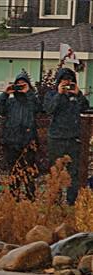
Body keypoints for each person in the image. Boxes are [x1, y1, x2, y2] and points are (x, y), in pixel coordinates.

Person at [0, 71, 42, 200]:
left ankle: (31, 197)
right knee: (13, 172)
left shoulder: (31, 101)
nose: (20, 87)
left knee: (28, 172)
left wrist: (28, 92)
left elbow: (39, 108)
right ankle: (14, 198)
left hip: (28, 142)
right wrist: (5, 93)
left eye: (23, 84)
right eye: (18, 85)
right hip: (11, 141)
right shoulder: (10, 103)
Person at [44, 67, 90, 205]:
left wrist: (78, 94)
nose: (67, 83)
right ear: (58, 81)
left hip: (73, 139)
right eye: (64, 80)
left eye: (69, 80)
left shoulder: (75, 96)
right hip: (56, 139)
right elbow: (49, 109)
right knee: (55, 172)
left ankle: (72, 202)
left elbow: (85, 107)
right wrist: (59, 93)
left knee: (73, 174)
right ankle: (55, 202)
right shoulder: (51, 95)